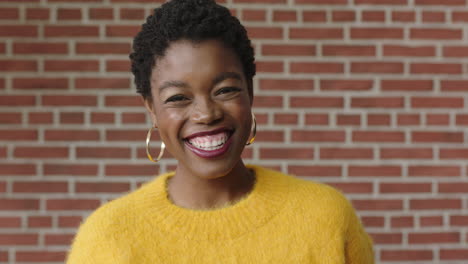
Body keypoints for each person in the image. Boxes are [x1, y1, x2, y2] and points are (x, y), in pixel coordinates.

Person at [66, 0, 374, 263]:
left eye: (225, 90)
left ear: (249, 93)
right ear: (151, 108)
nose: (207, 113)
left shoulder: (325, 217)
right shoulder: (107, 240)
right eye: (178, 98)